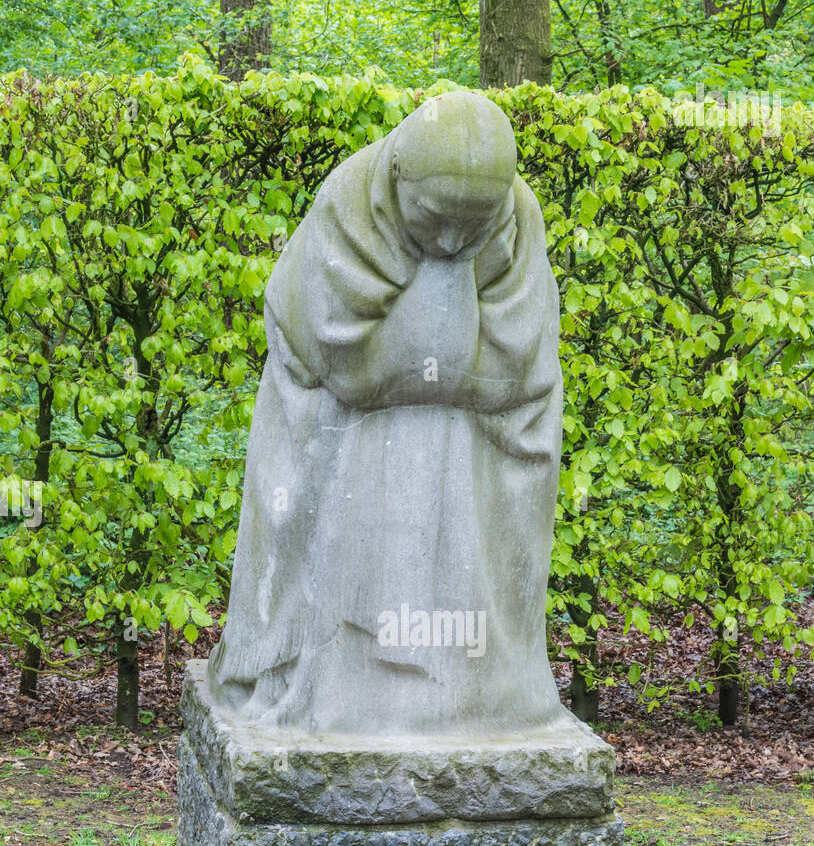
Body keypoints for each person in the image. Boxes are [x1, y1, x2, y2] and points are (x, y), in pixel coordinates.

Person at [208, 90, 570, 738]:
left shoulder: (519, 216)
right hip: (345, 444)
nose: (455, 240)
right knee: (395, 432)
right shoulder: (346, 203)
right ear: (398, 179)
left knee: (442, 433)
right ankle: (353, 680)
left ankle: (466, 694)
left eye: (474, 222)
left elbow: (521, 369)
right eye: (436, 218)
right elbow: (335, 361)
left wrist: (440, 350)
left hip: (476, 454)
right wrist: (430, 352)